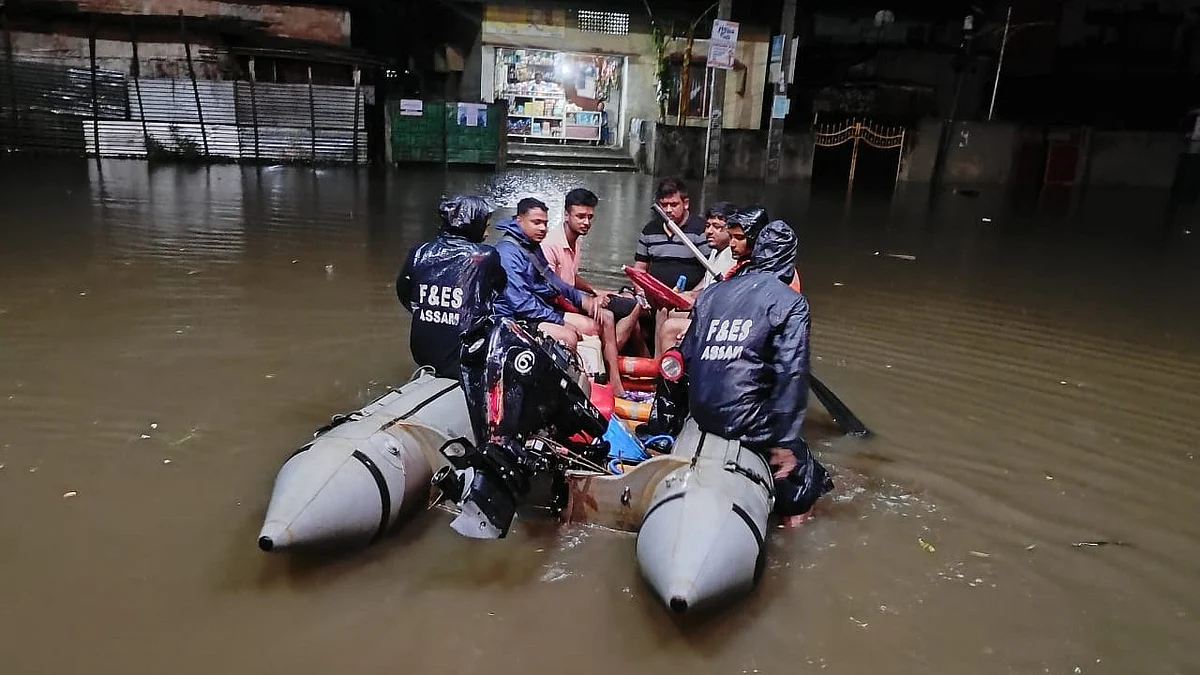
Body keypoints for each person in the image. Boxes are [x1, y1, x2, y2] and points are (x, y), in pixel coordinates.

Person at [677, 218, 833, 526]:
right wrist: (786, 441)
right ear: (790, 260)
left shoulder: (712, 294)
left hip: (702, 410)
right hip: (746, 420)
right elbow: (792, 372)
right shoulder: (791, 302)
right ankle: (793, 529)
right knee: (809, 483)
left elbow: (687, 356)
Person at [494, 197, 628, 396]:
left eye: (545, 223)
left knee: (598, 322)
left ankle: (607, 383)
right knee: (569, 336)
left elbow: (555, 282)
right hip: (517, 318)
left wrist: (584, 300)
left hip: (539, 309)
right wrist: (559, 320)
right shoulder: (507, 253)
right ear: (519, 220)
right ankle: (569, 393)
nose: (542, 228)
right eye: (536, 222)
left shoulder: (531, 245)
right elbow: (521, 303)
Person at [395, 194, 505, 379]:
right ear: (472, 224)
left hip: (421, 351)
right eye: (484, 226)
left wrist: (430, 310)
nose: (487, 234)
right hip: (467, 354)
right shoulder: (485, 257)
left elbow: (404, 292)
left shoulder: (419, 252)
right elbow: (498, 289)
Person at [542, 187, 643, 352]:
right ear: (566, 215)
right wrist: (587, 302)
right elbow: (549, 291)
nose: (586, 222)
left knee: (632, 308)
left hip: (573, 298)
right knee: (624, 311)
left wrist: (595, 291)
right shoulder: (550, 244)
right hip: (559, 306)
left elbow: (571, 278)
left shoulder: (576, 240)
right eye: (580, 217)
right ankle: (609, 365)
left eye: (590, 217)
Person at [654, 201, 740, 356]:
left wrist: (694, 301)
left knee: (670, 325)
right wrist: (689, 294)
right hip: (705, 309)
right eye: (707, 226)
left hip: (717, 317)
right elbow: (707, 285)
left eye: (717, 227)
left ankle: (668, 375)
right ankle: (657, 363)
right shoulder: (715, 252)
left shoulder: (731, 257)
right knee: (665, 310)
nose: (709, 231)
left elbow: (721, 296)